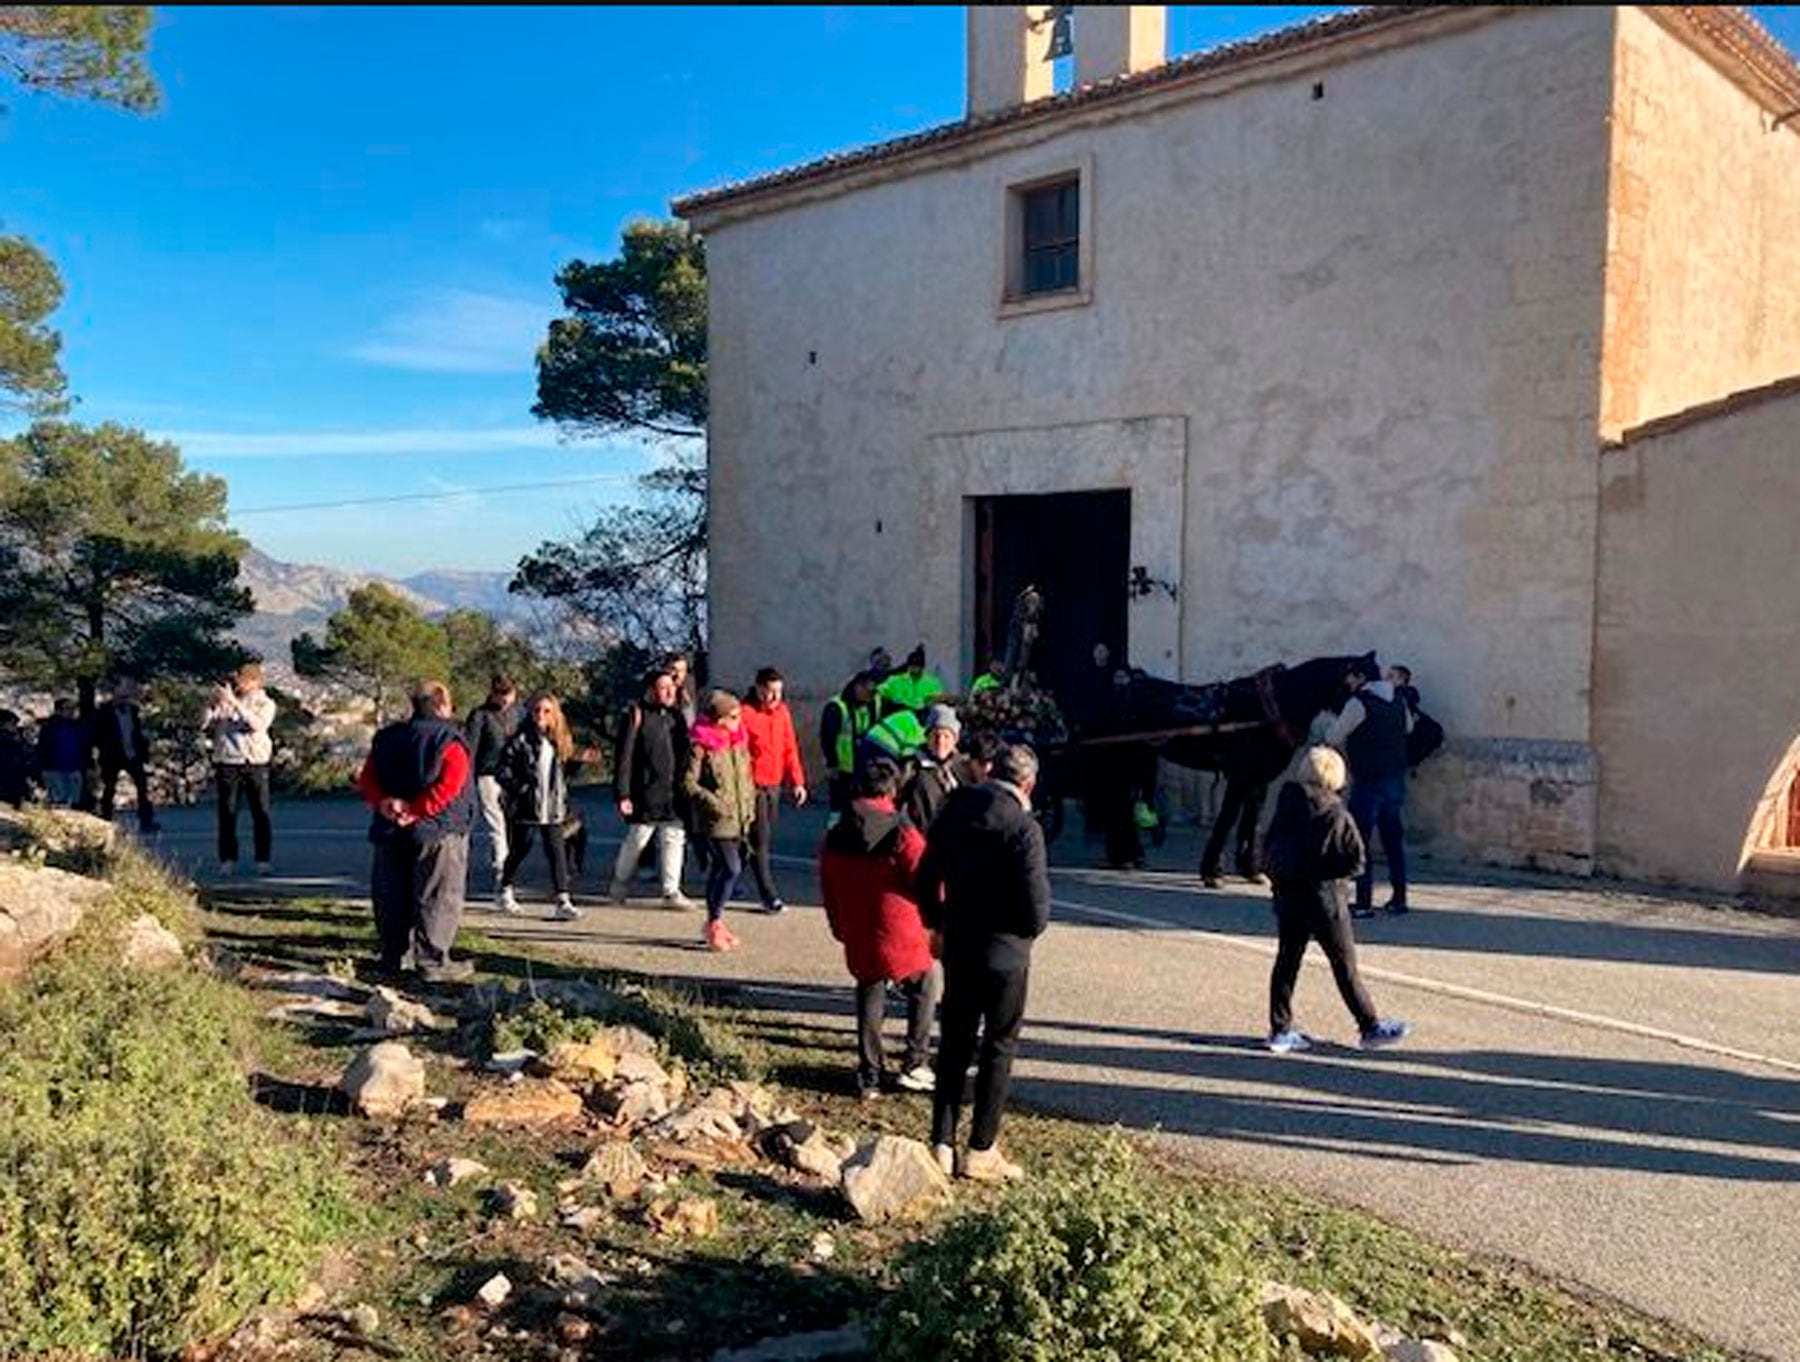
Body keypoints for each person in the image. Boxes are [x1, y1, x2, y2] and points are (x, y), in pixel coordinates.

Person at [918, 743, 1051, 1183]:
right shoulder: (1023, 827)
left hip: (958, 941)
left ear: (991, 770)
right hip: (1005, 953)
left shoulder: (955, 807)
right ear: (1027, 783)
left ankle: (940, 1141)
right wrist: (1018, 933)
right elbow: (1037, 911)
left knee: (954, 1041)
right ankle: (981, 1147)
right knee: (998, 1047)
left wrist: (936, 923)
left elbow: (925, 876)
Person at [1260, 745, 1412, 1053]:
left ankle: (1280, 1029)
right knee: (1344, 966)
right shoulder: (1336, 813)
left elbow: (1269, 845)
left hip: (1289, 894)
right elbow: (1356, 860)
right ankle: (1369, 1025)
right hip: (1324, 897)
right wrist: (1332, 875)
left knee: (1287, 961)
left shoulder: (1286, 805)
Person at [821, 756, 942, 1101]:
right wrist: (936, 920)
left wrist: (839, 924)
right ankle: (915, 1062)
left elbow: (828, 884)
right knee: (924, 983)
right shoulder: (902, 831)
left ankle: (869, 1073)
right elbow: (927, 880)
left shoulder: (836, 833)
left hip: (858, 928)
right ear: (892, 790)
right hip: (900, 928)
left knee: (869, 990)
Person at [357, 680, 477, 983]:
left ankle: (394, 955)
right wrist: (417, 810)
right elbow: (451, 783)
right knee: (438, 895)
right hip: (437, 830)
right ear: (441, 704)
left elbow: (368, 778)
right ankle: (433, 961)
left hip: (389, 828)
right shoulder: (448, 739)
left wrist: (384, 804)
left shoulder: (387, 738)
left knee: (391, 894)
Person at [1326, 657, 1413, 917]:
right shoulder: (1399, 701)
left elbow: (1333, 736)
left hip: (1368, 777)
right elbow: (1408, 728)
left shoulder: (1358, 703)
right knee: (1393, 840)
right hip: (1394, 775)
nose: (1348, 681)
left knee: (1360, 841)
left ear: (1362, 679)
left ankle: (1363, 901)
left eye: (1352, 677)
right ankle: (1399, 897)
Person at [606, 667, 694, 910]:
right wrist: (622, 793)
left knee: (674, 838)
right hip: (644, 792)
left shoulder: (676, 717)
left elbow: (686, 753)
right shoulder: (636, 715)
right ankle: (619, 884)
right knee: (637, 840)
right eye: (663, 687)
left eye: (672, 687)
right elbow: (624, 758)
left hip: (672, 792)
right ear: (650, 690)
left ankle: (671, 891)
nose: (669, 692)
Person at [495, 692, 584, 922]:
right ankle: (505, 888)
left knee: (557, 852)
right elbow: (503, 770)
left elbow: (563, 774)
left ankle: (563, 900)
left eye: (546, 711)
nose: (541, 716)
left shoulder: (560, 740)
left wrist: (579, 763)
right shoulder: (520, 739)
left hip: (554, 807)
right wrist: (520, 788)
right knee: (519, 849)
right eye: (537, 710)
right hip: (527, 807)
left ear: (555, 715)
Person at [685, 689, 758, 952]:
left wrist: (749, 805)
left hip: (740, 815)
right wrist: (714, 803)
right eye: (734, 716)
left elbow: (745, 776)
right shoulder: (700, 746)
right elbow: (689, 783)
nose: (739, 720)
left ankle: (715, 920)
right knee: (731, 868)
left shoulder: (738, 741)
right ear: (720, 719)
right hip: (716, 819)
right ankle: (714, 921)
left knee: (723, 869)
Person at [740, 666, 807, 915]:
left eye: (779, 692)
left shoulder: (782, 714)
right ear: (758, 689)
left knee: (755, 839)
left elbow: (790, 748)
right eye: (770, 692)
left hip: (774, 785)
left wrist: (797, 782)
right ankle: (769, 895)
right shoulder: (745, 714)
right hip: (752, 787)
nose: (775, 697)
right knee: (761, 840)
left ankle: (727, 870)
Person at [202, 663, 277, 873]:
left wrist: (235, 704)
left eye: (243, 680)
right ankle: (227, 859)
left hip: (255, 762)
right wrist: (211, 704)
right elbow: (203, 723)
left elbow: (258, 725)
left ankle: (263, 859)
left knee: (260, 812)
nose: (238, 683)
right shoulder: (226, 703)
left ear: (255, 682)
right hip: (228, 761)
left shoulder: (266, 703)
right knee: (227, 813)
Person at [464, 674, 521, 898]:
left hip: (515, 777)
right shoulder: (480, 715)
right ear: (493, 694)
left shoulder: (520, 713)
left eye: (510, 695)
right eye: (501, 695)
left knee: (512, 824)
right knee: (496, 825)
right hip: (488, 775)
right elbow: (470, 749)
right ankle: (502, 875)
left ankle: (507, 867)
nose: (506, 700)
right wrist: (467, 779)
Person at [94, 678, 159, 832]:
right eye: (121, 697)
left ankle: (146, 821)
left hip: (132, 754)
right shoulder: (104, 712)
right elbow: (97, 734)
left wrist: (143, 752)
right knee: (109, 788)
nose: (124, 700)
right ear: (114, 695)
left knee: (142, 787)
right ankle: (106, 820)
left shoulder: (133, 711)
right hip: (112, 756)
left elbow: (138, 733)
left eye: (126, 697)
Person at [820, 670, 878, 817]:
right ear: (858, 687)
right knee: (838, 809)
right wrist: (832, 765)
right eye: (868, 692)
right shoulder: (836, 707)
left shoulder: (870, 706)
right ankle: (834, 836)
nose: (870, 697)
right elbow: (827, 738)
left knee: (860, 808)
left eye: (873, 693)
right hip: (842, 769)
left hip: (863, 768)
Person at [901, 704, 968, 831]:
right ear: (927, 737)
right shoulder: (911, 768)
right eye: (935, 735)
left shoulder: (963, 768)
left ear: (955, 741)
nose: (940, 742)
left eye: (946, 736)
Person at [34, 699, 86, 807]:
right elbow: (42, 750)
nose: (71, 712)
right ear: (58, 710)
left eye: (73, 709)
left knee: (74, 803)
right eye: (67, 709)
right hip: (54, 771)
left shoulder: (77, 726)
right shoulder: (50, 727)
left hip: (74, 770)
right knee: (58, 802)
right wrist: (40, 770)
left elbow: (83, 747)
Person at [877, 644, 945, 718]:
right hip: (900, 716)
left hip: (924, 717)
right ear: (908, 666)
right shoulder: (895, 680)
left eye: (918, 666)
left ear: (922, 667)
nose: (915, 669)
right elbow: (879, 690)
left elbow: (937, 700)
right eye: (912, 666)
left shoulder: (932, 682)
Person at [0, 710, 31, 808]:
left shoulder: (18, 739)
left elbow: (27, 755)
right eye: (11, 723)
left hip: (16, 782)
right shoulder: (9, 740)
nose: (14, 726)